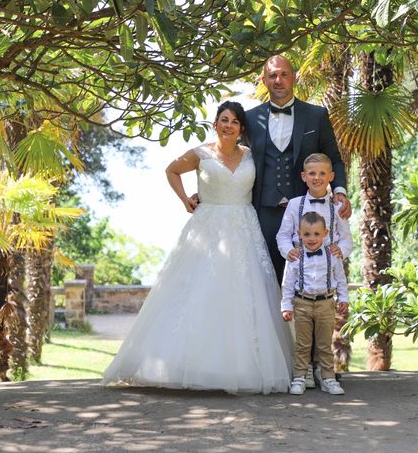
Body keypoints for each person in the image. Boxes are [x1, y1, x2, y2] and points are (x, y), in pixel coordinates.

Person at [102, 101, 292, 394]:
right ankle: (188, 365)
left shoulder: (251, 156)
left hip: (244, 227)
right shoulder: (200, 154)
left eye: (235, 122)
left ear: (242, 129)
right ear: (215, 123)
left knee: (243, 295)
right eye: (224, 120)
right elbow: (171, 170)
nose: (229, 125)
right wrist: (185, 200)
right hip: (207, 226)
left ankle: (240, 368)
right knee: (198, 291)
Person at [246, 55, 351, 285]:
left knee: (310, 281)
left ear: (294, 77)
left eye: (284, 74)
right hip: (263, 212)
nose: (278, 80)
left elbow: (334, 159)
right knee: (264, 282)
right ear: (264, 80)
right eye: (272, 75)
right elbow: (234, 160)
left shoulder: (316, 115)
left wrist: (340, 190)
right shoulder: (250, 119)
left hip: (307, 212)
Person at [276, 152, 353, 389]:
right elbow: (283, 234)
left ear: (331, 176)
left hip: (327, 274)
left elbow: (346, 239)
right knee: (302, 337)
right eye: (312, 173)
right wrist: (288, 250)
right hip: (301, 276)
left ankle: (325, 373)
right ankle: (303, 373)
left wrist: (341, 250)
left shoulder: (336, 206)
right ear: (304, 177)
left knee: (323, 337)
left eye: (322, 173)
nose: (317, 178)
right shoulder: (294, 204)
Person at [281, 212, 349, 396]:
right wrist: (286, 306)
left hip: (326, 304)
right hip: (301, 303)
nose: (312, 239)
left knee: (324, 344)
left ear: (325, 233)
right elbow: (287, 284)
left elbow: (341, 280)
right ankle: (300, 377)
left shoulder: (333, 256)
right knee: (302, 344)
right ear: (299, 234)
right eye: (307, 234)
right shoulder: (294, 257)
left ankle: (328, 378)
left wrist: (343, 299)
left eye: (317, 234)